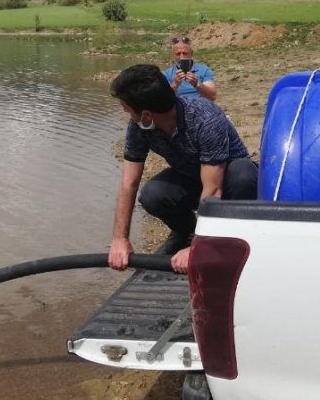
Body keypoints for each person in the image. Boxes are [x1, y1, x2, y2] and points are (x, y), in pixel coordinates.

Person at [108, 64, 258, 274]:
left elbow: (213, 191)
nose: (125, 113)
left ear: (147, 115)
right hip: (192, 177)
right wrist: (120, 239)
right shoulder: (139, 126)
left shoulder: (205, 119)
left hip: (226, 183)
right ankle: (185, 232)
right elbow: (129, 182)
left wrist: (198, 249)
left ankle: (230, 238)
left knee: (244, 174)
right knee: (152, 195)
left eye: (126, 108)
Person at [163, 35, 216, 101]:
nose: (182, 57)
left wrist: (197, 84)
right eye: (178, 54)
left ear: (191, 54)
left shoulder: (204, 70)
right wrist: (175, 84)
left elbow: (212, 96)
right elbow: (163, 99)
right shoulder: (167, 74)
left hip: (201, 106)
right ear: (173, 55)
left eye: (185, 53)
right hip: (179, 107)